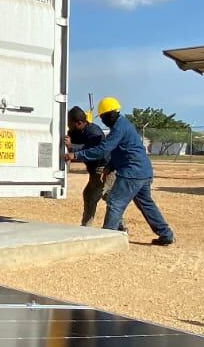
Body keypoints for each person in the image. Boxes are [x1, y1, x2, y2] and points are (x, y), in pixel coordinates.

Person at [70, 97, 175, 244]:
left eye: (102, 117)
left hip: (132, 171)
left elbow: (103, 149)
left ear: (108, 115)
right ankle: (166, 235)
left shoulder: (119, 128)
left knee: (114, 202)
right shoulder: (123, 125)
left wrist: (75, 154)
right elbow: (121, 151)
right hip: (143, 171)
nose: (102, 120)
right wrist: (110, 167)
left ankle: (107, 239)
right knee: (146, 204)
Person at [66, 106, 111, 226]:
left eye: (70, 123)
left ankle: (87, 226)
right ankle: (118, 225)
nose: (68, 126)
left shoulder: (94, 132)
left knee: (95, 196)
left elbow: (93, 151)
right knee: (107, 197)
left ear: (79, 123)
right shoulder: (76, 131)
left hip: (103, 168)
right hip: (96, 170)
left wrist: (72, 147)